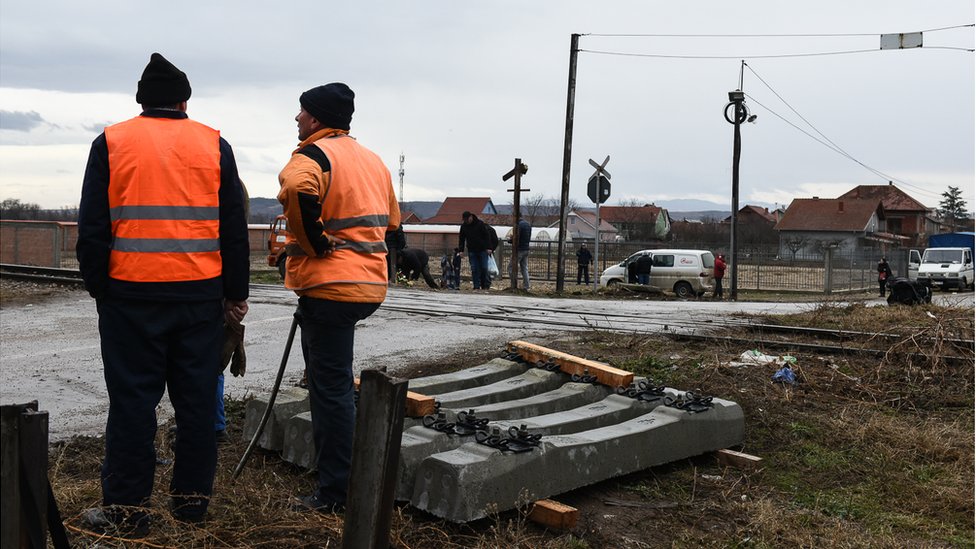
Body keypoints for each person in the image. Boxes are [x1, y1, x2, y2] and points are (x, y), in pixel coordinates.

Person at [76, 53, 250, 535]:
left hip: (130, 299)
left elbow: (93, 228)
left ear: (141, 101)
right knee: (196, 406)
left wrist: (101, 290)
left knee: (132, 405)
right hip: (198, 300)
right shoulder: (214, 144)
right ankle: (191, 508)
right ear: (184, 101)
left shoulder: (111, 142)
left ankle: (127, 513)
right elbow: (233, 229)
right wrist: (235, 294)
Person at [277, 82, 400, 514]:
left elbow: (296, 191)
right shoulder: (372, 161)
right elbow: (392, 223)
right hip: (368, 286)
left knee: (328, 389)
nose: (297, 118)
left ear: (316, 117)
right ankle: (344, 473)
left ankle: (336, 492)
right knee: (335, 384)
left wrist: (315, 244)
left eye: (301, 111)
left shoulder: (312, 157)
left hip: (330, 287)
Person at [458, 211, 494, 290]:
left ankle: (484, 285)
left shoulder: (480, 224)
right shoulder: (464, 226)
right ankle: (476, 286)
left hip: (482, 250)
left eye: (467, 219)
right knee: (474, 269)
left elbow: (486, 236)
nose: (466, 221)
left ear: (471, 217)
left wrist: (489, 247)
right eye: (465, 220)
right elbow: (461, 239)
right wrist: (461, 250)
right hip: (472, 250)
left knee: (484, 268)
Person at [507, 217, 532, 290]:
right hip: (526, 248)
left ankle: (514, 284)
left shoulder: (518, 225)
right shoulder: (528, 225)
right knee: (524, 268)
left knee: (511, 267)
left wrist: (510, 240)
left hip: (519, 249)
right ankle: (526, 286)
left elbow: (517, 238)